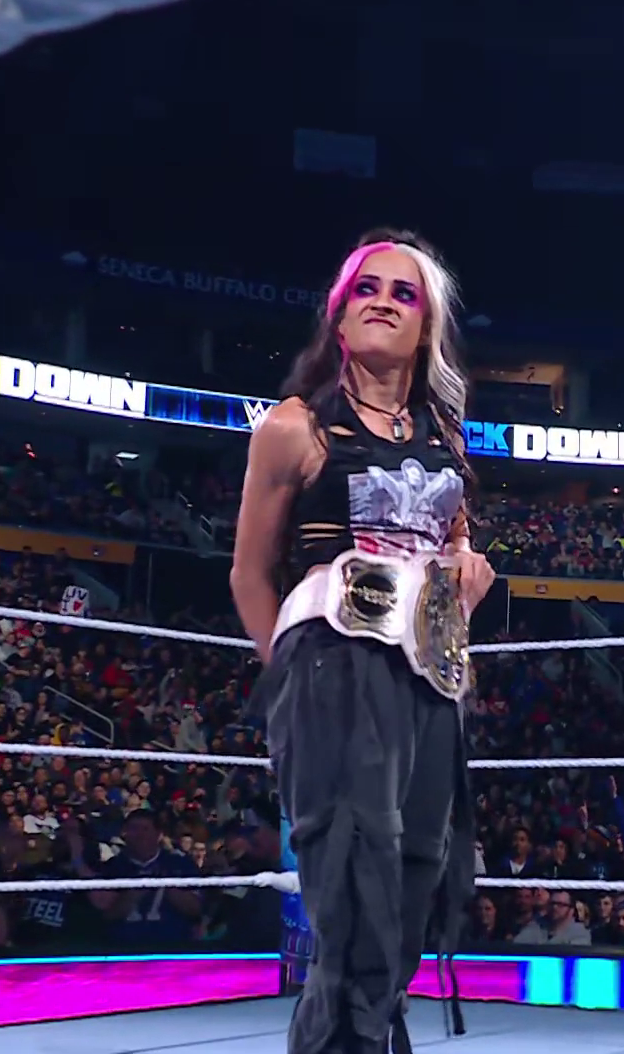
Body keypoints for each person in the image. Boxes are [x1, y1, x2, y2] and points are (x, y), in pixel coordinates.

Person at [231, 228, 495, 1054]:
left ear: (427, 326)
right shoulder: (295, 428)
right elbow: (249, 574)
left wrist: (468, 569)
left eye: (403, 293)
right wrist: (293, 681)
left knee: (418, 874)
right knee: (355, 882)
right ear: (339, 317)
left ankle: (367, 1036)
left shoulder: (445, 437)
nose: (383, 301)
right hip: (333, 666)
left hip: (431, 678)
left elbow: (453, 547)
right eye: (366, 289)